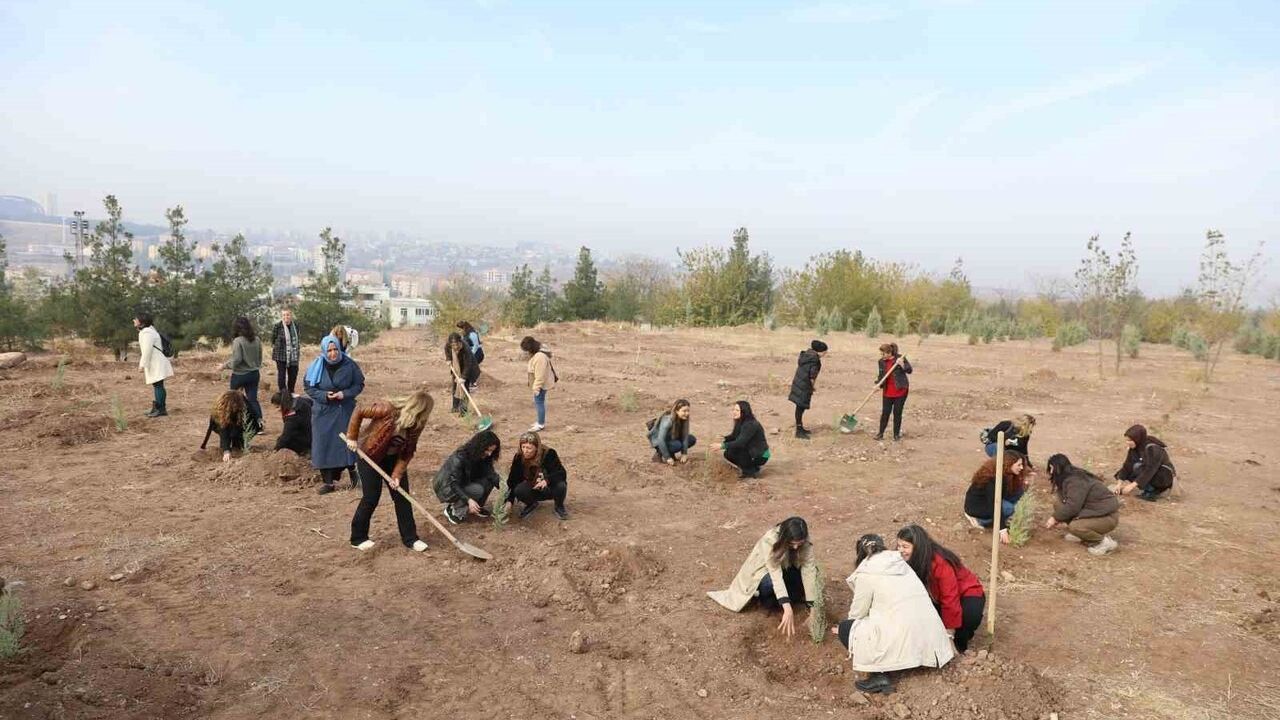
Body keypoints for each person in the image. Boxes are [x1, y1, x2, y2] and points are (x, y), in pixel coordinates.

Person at [836, 534, 955, 694]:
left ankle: (880, 675)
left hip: (902, 640)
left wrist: (848, 631)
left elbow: (858, 612)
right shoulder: (901, 564)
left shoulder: (867, 571)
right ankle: (913, 659)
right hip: (931, 644)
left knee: (846, 628)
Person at [344, 387, 434, 552]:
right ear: (417, 409)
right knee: (371, 497)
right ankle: (358, 538)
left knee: (402, 496)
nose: (423, 418)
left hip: (393, 458)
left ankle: (410, 539)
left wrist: (397, 475)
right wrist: (352, 437)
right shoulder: (387, 409)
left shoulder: (417, 424)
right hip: (370, 455)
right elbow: (359, 410)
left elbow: (408, 452)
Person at [707, 517, 819, 640]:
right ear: (785, 538)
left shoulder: (805, 542)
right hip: (766, 572)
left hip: (787, 567)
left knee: (814, 573)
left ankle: (788, 598)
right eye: (792, 544)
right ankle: (765, 600)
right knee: (769, 583)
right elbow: (775, 574)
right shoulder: (770, 539)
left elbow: (809, 570)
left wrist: (813, 609)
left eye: (800, 544)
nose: (796, 548)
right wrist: (787, 608)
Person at [895, 524, 985, 654]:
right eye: (899, 546)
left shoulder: (939, 563)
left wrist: (949, 634)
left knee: (968, 617)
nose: (900, 551)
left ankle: (959, 644)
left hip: (966, 592)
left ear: (918, 548)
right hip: (937, 595)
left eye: (905, 547)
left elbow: (950, 598)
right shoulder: (905, 560)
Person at [304, 335, 365, 494]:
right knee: (323, 445)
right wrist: (324, 396)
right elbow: (309, 388)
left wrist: (344, 394)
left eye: (335, 349)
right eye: (329, 350)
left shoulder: (350, 365)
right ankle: (328, 483)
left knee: (347, 444)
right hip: (323, 413)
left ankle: (354, 475)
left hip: (344, 411)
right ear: (324, 350)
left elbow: (359, 384)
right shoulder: (316, 366)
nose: (333, 353)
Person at [1045, 453, 1120, 556]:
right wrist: (1059, 516)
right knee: (1058, 504)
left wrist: (1055, 518)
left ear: (1053, 468)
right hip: (1095, 512)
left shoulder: (1076, 481)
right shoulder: (1070, 477)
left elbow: (1073, 506)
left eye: (1051, 469)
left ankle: (1102, 542)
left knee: (1075, 526)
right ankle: (1082, 535)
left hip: (1107, 517)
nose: (1051, 473)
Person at [433, 429, 502, 524]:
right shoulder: (459, 458)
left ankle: (477, 508)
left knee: (491, 480)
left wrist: (503, 489)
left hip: (464, 482)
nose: (490, 454)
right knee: (478, 490)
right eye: (487, 450)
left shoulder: (482, 456)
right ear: (480, 446)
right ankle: (454, 510)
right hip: (447, 488)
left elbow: (489, 472)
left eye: (492, 451)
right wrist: (469, 500)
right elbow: (454, 484)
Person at [963, 450, 1029, 544]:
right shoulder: (992, 480)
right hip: (977, 508)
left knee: (1019, 492)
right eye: (1018, 465)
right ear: (1009, 464)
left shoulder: (1005, 474)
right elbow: (994, 504)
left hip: (988, 501)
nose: (1021, 468)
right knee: (1008, 508)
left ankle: (1002, 518)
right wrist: (1002, 530)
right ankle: (980, 521)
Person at [505, 431, 569, 520]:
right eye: (523, 447)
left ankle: (559, 506)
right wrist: (509, 500)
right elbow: (513, 480)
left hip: (549, 488)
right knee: (519, 490)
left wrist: (547, 480)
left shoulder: (549, 453)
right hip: (533, 487)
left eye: (529, 448)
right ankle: (531, 503)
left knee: (561, 485)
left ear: (537, 448)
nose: (525, 451)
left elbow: (561, 473)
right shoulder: (519, 457)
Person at [221, 316, 264, 432]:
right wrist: (254, 366)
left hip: (240, 375)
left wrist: (223, 366)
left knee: (233, 399)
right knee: (252, 400)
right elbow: (260, 358)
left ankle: (231, 424)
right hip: (254, 374)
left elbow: (237, 360)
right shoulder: (257, 339)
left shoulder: (238, 341)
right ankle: (259, 425)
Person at [1113, 424, 1176, 501]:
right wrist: (1119, 484)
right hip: (1151, 472)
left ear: (1137, 439)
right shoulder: (1135, 447)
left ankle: (1154, 491)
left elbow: (1150, 470)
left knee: (1137, 467)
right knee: (1128, 470)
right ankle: (1149, 488)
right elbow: (1127, 465)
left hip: (1164, 476)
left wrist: (1131, 486)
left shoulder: (1153, 448)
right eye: (1127, 440)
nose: (1127, 443)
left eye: (1130, 440)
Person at [134, 311, 173, 418]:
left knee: (158, 386)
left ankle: (161, 409)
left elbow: (147, 351)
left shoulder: (147, 333)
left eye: (136, 319)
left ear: (141, 322)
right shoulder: (149, 331)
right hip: (156, 362)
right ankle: (158, 408)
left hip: (156, 362)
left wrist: (142, 365)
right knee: (158, 385)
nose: (134, 320)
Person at [788, 340, 827, 439]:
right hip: (804, 386)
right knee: (800, 407)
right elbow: (812, 376)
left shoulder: (806, 355)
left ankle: (800, 428)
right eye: (824, 352)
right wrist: (812, 387)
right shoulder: (815, 360)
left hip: (799, 384)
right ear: (819, 351)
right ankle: (799, 431)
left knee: (799, 407)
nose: (825, 354)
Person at [721, 400, 769, 479]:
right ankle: (751, 468)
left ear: (744, 411)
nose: (734, 412)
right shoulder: (740, 422)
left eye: (737, 410)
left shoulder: (750, 424)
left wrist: (722, 446)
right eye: (733, 410)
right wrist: (724, 438)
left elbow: (740, 442)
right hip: (751, 450)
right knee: (728, 453)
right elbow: (734, 436)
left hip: (761, 454)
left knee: (736, 451)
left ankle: (750, 472)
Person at [874, 342, 913, 441]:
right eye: (881, 354)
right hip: (888, 391)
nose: (882, 356)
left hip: (900, 390)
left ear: (889, 353)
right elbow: (881, 376)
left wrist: (902, 364)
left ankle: (896, 435)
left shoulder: (899, 358)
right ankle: (880, 433)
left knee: (897, 412)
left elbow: (909, 370)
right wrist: (878, 384)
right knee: (885, 412)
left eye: (883, 354)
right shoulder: (881, 361)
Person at [522, 336, 556, 432]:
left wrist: (536, 388)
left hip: (541, 384)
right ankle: (539, 421)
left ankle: (540, 424)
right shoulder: (538, 354)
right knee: (538, 402)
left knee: (539, 402)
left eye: (526, 350)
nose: (526, 352)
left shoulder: (540, 357)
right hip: (540, 383)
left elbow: (540, 375)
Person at [648, 399, 696, 465]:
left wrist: (684, 453)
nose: (687, 413)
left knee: (691, 439)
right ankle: (659, 454)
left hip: (672, 438)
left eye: (688, 411)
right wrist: (667, 457)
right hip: (659, 441)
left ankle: (671, 453)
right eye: (684, 411)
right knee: (677, 445)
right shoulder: (668, 421)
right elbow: (660, 440)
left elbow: (685, 435)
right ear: (677, 411)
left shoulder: (684, 418)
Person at [204, 390, 249, 462]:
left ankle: (236, 446)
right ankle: (225, 449)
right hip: (219, 424)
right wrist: (226, 451)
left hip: (237, 421)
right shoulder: (219, 411)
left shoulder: (242, 406)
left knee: (236, 434)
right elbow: (223, 431)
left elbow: (242, 426)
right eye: (234, 406)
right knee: (227, 434)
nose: (236, 407)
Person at [444, 332, 480, 414]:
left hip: (468, 369)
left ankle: (463, 411)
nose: (455, 347)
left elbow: (468, 364)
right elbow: (446, 350)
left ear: (460, 342)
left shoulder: (466, 349)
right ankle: (455, 407)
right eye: (453, 345)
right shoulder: (448, 345)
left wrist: (463, 378)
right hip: (456, 368)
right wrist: (448, 359)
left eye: (457, 344)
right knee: (455, 386)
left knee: (464, 388)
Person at [270, 308, 302, 399]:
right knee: (282, 374)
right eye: (284, 315)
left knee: (293, 373)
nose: (286, 317)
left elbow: (298, 339)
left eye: (287, 315)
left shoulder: (296, 325)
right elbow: (273, 338)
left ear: (291, 316)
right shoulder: (277, 326)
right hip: (280, 354)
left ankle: (291, 391)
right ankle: (283, 393)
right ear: (282, 316)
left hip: (293, 354)